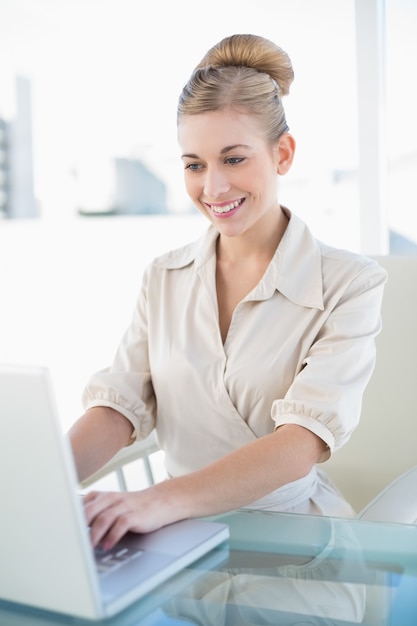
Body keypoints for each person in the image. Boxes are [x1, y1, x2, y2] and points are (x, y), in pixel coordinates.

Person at [69, 34, 387, 551]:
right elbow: (119, 407)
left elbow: (298, 445)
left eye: (234, 159)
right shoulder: (162, 277)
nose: (212, 188)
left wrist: (157, 500)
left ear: (282, 154)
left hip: (295, 551)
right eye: (194, 164)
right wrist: (38, 482)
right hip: (177, 542)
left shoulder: (350, 283)